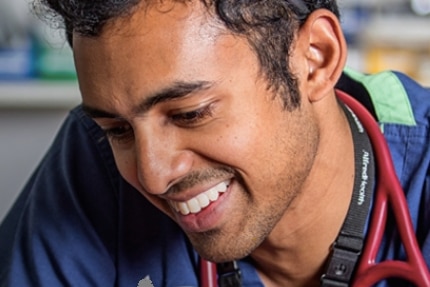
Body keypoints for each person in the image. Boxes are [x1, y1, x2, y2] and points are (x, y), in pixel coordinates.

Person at [0, 0, 429, 286]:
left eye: (189, 113)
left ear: (315, 58)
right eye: (118, 131)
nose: (152, 174)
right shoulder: (92, 163)